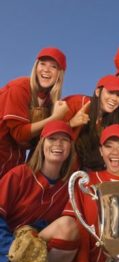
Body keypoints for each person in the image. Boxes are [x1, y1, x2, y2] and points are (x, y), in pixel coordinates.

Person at [62, 124, 119, 262]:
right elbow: (78, 227)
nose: (115, 152)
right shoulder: (86, 182)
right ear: (101, 151)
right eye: (108, 146)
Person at [0, 120, 79, 262]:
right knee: (27, 245)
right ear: (42, 144)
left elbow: (64, 231)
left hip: (40, 254)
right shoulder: (19, 174)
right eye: (52, 138)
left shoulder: (70, 186)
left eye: (64, 139)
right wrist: (13, 249)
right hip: (6, 250)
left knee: (68, 225)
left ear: (71, 147)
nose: (58, 144)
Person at [0, 47, 69, 178]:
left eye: (53, 67)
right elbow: (19, 134)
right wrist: (55, 118)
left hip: (13, 160)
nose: (46, 70)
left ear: (60, 73)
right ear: (36, 67)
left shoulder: (49, 101)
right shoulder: (20, 87)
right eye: (42, 64)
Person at [63, 75, 119, 171]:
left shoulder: (110, 121)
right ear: (97, 92)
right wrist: (71, 123)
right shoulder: (76, 103)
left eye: (118, 95)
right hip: (58, 169)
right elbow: (48, 135)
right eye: (110, 92)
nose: (114, 98)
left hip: (83, 173)